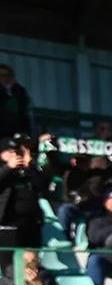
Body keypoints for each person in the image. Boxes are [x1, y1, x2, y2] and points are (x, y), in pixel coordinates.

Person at [0, 135, 43, 269]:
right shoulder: (4, 170)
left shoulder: (27, 170)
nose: (15, 155)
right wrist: (8, 167)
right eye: (10, 151)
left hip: (31, 223)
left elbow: (42, 186)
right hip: (8, 224)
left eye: (17, 151)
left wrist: (30, 165)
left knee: (31, 266)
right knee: (10, 267)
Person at [0, 65, 32, 138]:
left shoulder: (19, 91)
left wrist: (25, 131)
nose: (4, 78)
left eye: (7, 75)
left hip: (17, 131)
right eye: (1, 75)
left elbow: (24, 112)